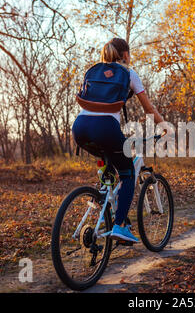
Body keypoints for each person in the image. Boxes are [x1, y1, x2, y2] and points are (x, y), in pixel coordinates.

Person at [72, 38, 165, 243]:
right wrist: (164, 126)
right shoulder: (129, 73)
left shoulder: (92, 70)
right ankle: (120, 226)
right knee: (128, 173)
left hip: (80, 128)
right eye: (129, 54)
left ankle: (107, 200)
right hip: (105, 128)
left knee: (112, 167)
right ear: (125, 55)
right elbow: (148, 109)